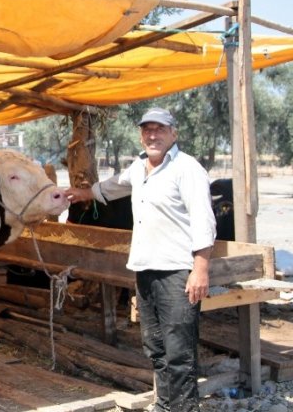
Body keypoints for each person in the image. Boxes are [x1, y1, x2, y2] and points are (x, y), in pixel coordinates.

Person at [66, 107, 216, 412]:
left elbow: (204, 220)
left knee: (180, 349)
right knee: (155, 345)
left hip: (176, 271)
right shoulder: (139, 168)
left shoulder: (187, 169)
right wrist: (83, 194)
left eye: (159, 129)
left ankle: (185, 409)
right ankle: (164, 405)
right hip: (145, 268)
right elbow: (113, 186)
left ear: (174, 134)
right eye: (147, 129)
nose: (153, 135)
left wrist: (200, 268)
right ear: (140, 134)